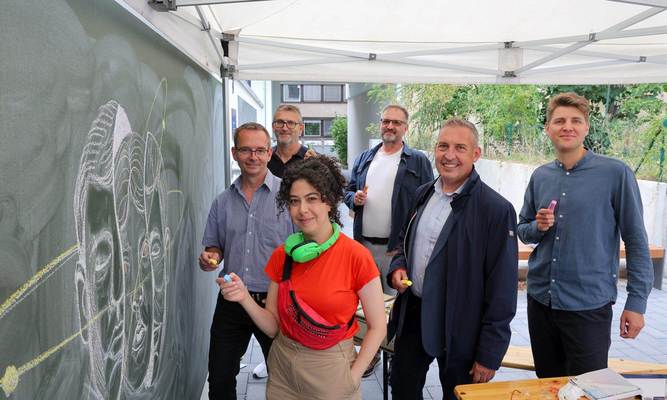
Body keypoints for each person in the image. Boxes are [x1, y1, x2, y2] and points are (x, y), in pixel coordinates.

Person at [220, 155, 386, 400]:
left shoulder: (356, 256)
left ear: (329, 201)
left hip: (331, 369)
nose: (302, 210)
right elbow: (273, 327)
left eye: (312, 199)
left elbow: (378, 326)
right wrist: (244, 298)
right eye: (294, 201)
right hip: (283, 369)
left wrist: (352, 377)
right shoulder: (283, 255)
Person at [517, 92, 653, 378]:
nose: (568, 126)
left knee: (589, 388)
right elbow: (523, 229)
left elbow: (636, 240)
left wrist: (636, 303)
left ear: (586, 128)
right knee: (549, 385)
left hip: (588, 307)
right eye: (559, 121)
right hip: (541, 301)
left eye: (576, 120)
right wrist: (538, 227)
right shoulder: (540, 176)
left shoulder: (615, 173)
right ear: (548, 128)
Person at [387, 118, 518, 400]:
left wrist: (489, 353)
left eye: (460, 147)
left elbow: (502, 289)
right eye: (443, 146)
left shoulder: (495, 210)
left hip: (462, 326)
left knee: (458, 395)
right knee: (402, 389)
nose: (449, 155)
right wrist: (398, 266)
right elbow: (403, 243)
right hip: (414, 314)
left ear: (476, 154)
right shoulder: (422, 194)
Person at [198, 122, 293, 400]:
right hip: (232, 298)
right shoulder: (222, 202)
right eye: (246, 150)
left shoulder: (289, 197)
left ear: (269, 152)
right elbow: (215, 247)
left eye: (260, 150)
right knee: (219, 377)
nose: (253, 156)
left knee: (285, 380)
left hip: (275, 301)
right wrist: (210, 258)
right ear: (234, 153)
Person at [345, 104, 434, 376]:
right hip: (363, 247)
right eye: (385, 121)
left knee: (398, 307)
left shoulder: (417, 161)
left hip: (397, 249)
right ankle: (369, 355)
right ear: (380, 125)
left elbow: (428, 200)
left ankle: (398, 358)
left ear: (405, 127)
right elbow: (347, 191)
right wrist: (354, 198)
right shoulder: (364, 158)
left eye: (396, 122)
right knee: (363, 305)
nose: (390, 126)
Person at [268, 104, 317, 178]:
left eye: (291, 123)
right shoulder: (264, 159)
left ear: (301, 128)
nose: (284, 128)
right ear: (273, 127)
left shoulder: (312, 161)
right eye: (280, 122)